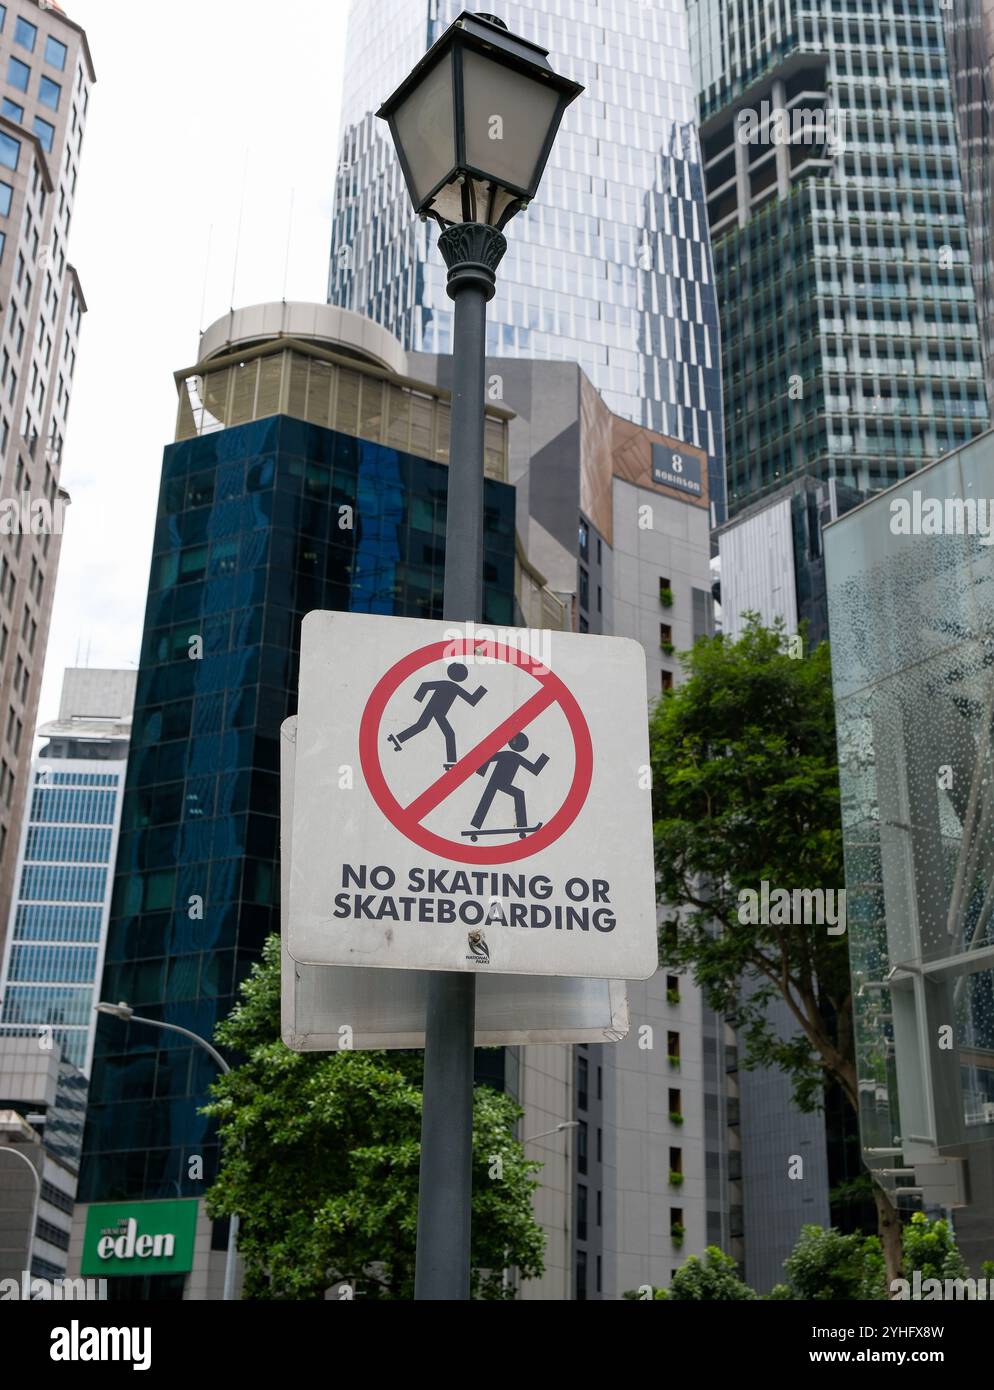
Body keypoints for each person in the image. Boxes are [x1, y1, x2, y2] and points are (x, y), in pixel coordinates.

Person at [388, 663, 486, 768]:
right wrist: (482, 688)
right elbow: (471, 700)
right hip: (437, 711)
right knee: (448, 733)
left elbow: (425, 686)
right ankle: (451, 761)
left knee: (422, 725)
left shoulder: (449, 685)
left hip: (435, 710)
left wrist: (418, 699)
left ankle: (397, 739)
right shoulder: (452, 686)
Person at [471, 732, 548, 830]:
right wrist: (480, 773)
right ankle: (521, 825)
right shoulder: (508, 755)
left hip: (501, 783)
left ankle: (476, 823)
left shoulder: (513, 756)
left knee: (488, 799)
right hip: (496, 782)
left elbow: (535, 769)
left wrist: (546, 753)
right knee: (515, 795)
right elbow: (486, 757)